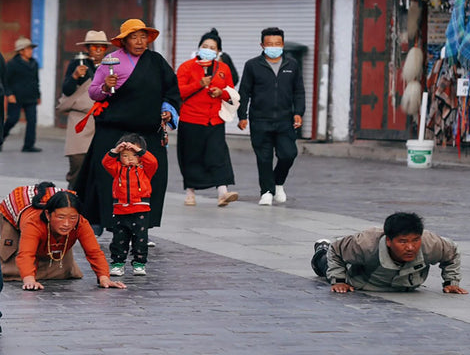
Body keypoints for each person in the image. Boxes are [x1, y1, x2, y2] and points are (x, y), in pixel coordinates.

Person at [74, 19, 180, 236]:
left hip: (148, 131)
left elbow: (171, 89)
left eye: (143, 37)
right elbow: (94, 92)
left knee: (151, 177)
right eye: (134, 37)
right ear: (123, 41)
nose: (140, 42)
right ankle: (111, 223)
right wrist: (105, 86)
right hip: (114, 129)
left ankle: (143, 226)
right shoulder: (110, 60)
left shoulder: (157, 61)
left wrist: (168, 110)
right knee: (109, 177)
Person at [0, 183, 126, 290]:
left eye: (72, 218)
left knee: (65, 270)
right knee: (10, 268)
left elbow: (94, 252)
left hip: (53, 240)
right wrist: (29, 280)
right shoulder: (33, 223)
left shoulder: (81, 223)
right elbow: (26, 254)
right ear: (48, 215)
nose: (66, 224)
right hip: (14, 216)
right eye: (60, 217)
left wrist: (104, 278)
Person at [311, 212, 468, 295]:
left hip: (406, 284)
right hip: (360, 278)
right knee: (326, 265)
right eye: (403, 241)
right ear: (388, 241)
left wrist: (451, 283)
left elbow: (452, 252)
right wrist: (338, 281)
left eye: (415, 240)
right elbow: (336, 250)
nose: (411, 247)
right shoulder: (366, 243)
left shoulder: (430, 243)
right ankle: (321, 249)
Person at [237, 27, 305, 206]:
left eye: (277, 44)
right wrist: (242, 115)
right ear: (262, 45)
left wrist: (299, 112)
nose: (273, 47)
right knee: (264, 157)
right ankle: (266, 191)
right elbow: (244, 92)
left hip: (285, 119)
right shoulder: (252, 65)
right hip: (260, 119)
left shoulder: (292, 65)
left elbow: (299, 91)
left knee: (289, 154)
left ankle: (278, 182)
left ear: (282, 44)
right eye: (269, 44)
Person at [176, 29, 238, 207]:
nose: (208, 50)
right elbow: (178, 91)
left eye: (212, 47)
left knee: (218, 155)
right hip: (191, 119)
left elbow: (231, 92)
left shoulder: (223, 68)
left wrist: (221, 93)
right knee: (191, 156)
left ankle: (223, 193)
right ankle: (190, 191)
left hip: (214, 119)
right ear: (199, 48)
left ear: (218, 52)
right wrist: (198, 84)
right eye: (205, 46)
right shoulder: (187, 67)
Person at [60, 30, 111, 189]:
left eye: (101, 47)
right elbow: (67, 90)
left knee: (101, 165)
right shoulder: (78, 63)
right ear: (87, 48)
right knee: (78, 162)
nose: (97, 50)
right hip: (81, 119)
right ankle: (73, 199)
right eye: (94, 47)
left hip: (103, 119)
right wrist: (75, 76)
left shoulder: (110, 65)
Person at [102, 133, 158, 277]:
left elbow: (152, 161)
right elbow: (106, 163)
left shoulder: (145, 170)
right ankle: (117, 264)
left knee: (140, 238)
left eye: (134, 155)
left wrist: (138, 149)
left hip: (140, 208)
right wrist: (115, 150)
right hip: (121, 209)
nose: (130, 159)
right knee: (119, 239)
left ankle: (139, 263)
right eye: (125, 156)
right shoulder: (117, 170)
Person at [3, 37, 42, 152]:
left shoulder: (34, 63)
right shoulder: (12, 64)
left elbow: (36, 80)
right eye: (28, 49)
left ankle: (28, 145)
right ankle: (1, 138)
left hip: (31, 97)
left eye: (31, 49)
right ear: (21, 51)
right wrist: (9, 94)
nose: (31, 51)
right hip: (16, 97)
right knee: (12, 120)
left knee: (32, 121)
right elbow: (6, 81)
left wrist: (38, 95)